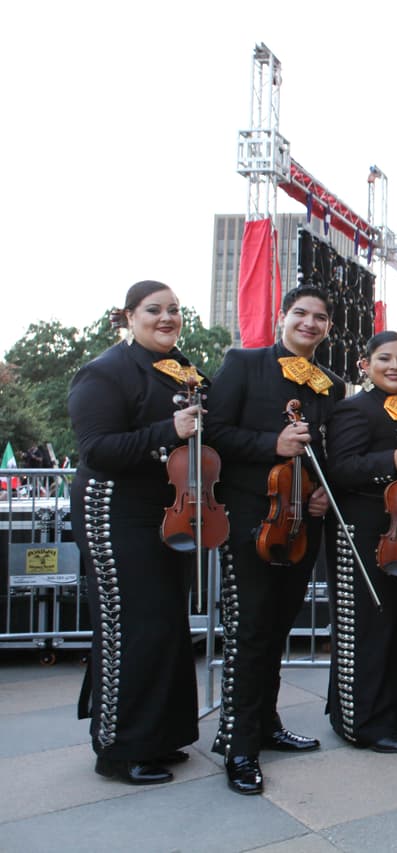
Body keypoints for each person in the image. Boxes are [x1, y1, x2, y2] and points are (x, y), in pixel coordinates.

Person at [205, 284, 345, 795]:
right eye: (301, 314)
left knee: (278, 627)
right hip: (250, 518)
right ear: (282, 315)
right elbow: (214, 432)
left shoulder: (330, 384)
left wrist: (321, 494)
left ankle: (264, 723)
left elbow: (324, 450)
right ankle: (237, 745)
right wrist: (273, 443)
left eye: (320, 317)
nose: (310, 323)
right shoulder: (243, 364)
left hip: (302, 519)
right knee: (249, 631)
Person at [68, 280, 202, 785]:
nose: (167, 317)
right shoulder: (103, 373)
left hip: (167, 510)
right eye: (154, 310)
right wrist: (172, 431)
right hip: (114, 512)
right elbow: (97, 449)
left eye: (174, 310)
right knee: (131, 626)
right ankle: (120, 748)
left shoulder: (182, 370)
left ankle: (158, 736)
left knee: (166, 625)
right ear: (128, 316)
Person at [322, 331, 397, 754]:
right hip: (359, 530)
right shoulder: (352, 409)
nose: (395, 366)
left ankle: (386, 717)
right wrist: (390, 462)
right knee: (364, 628)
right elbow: (341, 468)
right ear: (365, 364)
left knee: (393, 628)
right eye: (385, 358)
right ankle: (360, 724)